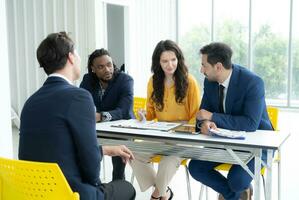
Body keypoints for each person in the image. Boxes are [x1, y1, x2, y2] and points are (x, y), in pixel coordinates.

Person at [18, 32, 136, 200]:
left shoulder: (30, 102)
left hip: (36, 192)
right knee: (127, 188)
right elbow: (91, 170)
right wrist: (97, 185)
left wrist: (104, 150)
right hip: (71, 193)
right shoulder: (79, 97)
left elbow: (57, 149)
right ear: (71, 57)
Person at [188, 42, 273, 200]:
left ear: (218, 67)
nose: (201, 70)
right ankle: (235, 195)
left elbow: (250, 124)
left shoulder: (253, 82)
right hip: (225, 143)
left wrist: (213, 117)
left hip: (257, 145)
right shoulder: (210, 82)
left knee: (237, 180)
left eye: (204, 65)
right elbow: (202, 115)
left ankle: (235, 191)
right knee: (195, 167)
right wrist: (205, 124)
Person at [130, 40, 201, 200]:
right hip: (161, 135)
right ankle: (165, 192)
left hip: (185, 138)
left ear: (179, 59)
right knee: (133, 153)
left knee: (167, 162)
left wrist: (181, 129)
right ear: (158, 62)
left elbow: (196, 116)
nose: (170, 65)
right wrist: (142, 116)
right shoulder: (153, 81)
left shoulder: (190, 82)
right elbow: (150, 113)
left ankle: (156, 195)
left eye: (173, 60)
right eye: (165, 61)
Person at [80, 48, 134, 181]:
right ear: (93, 69)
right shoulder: (88, 80)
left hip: (121, 131)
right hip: (97, 130)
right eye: (101, 67)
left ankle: (119, 187)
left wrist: (100, 116)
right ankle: (93, 186)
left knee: (118, 166)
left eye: (109, 64)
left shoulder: (125, 80)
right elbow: (80, 104)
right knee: (85, 151)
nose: (107, 70)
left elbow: (124, 111)